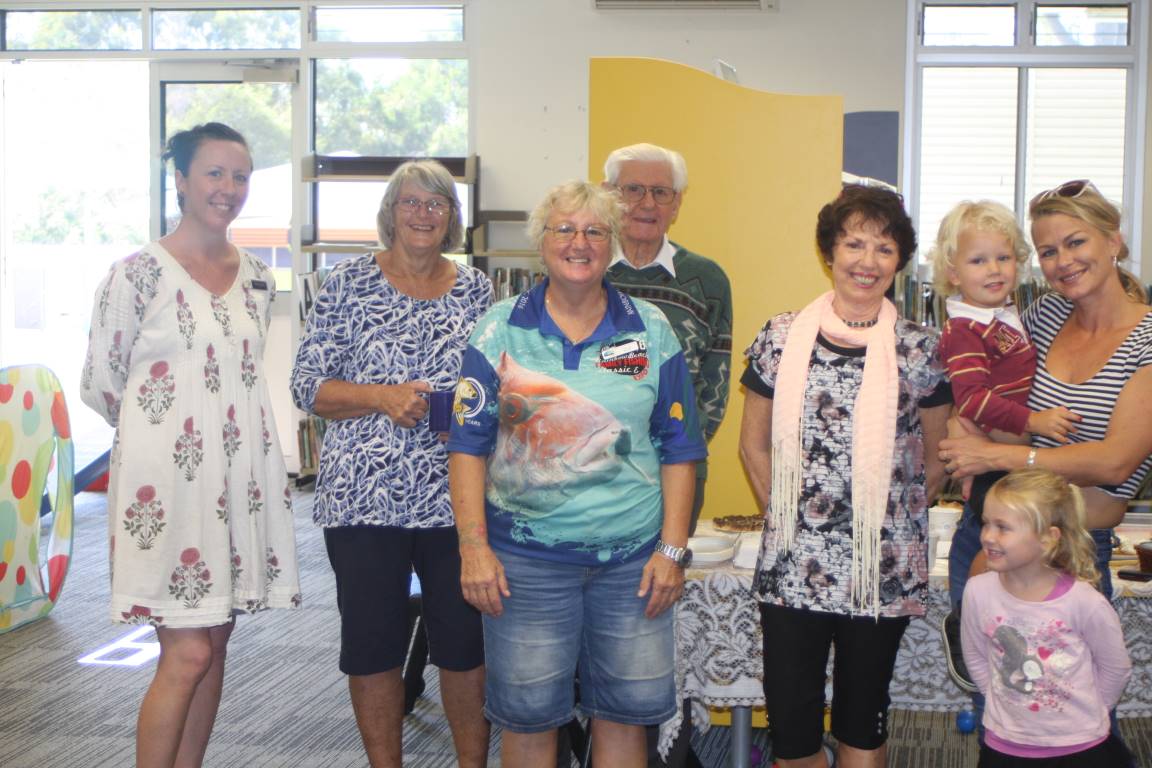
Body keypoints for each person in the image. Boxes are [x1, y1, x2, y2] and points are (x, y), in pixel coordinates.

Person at [447, 180, 707, 768]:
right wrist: (473, 549)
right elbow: (466, 446)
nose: (579, 242)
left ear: (611, 244)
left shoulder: (651, 328)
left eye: (594, 230)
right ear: (541, 242)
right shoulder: (497, 329)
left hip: (633, 566)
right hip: (526, 565)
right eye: (564, 229)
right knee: (531, 723)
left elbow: (680, 446)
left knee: (624, 721)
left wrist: (671, 551)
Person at [80, 122, 301, 768]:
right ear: (179, 179)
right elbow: (101, 382)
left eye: (239, 176)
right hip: (166, 489)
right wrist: (171, 433)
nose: (227, 189)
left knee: (218, 641)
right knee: (190, 651)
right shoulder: (136, 276)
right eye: (213, 173)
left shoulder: (259, 278)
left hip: (236, 485)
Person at [738, 185, 951, 768]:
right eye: (853, 243)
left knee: (863, 715)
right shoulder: (780, 338)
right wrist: (784, 518)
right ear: (829, 252)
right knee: (792, 725)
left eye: (884, 248)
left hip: (879, 567)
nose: (867, 261)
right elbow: (752, 444)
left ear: (900, 261)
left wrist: (893, 518)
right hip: (791, 563)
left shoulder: (920, 349)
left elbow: (940, 453)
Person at [290, 159, 492, 768]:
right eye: (411, 202)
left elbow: (494, 383)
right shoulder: (347, 282)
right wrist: (381, 397)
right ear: (390, 212)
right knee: (373, 644)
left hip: (456, 496)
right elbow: (307, 385)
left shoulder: (478, 289)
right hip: (362, 498)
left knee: (464, 646)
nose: (424, 214)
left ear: (452, 217)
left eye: (437, 204)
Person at [940, 180, 1151, 760]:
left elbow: (1115, 459)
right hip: (995, 534)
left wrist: (999, 455)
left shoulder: (1147, 339)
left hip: (1078, 545)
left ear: (1115, 241)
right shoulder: (1045, 313)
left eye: (1076, 242)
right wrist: (965, 429)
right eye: (1048, 250)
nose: (1063, 262)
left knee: (1076, 717)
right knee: (1004, 710)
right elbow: (977, 392)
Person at [960, 469, 1132, 767]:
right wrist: (1002, 703)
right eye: (986, 523)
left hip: (1080, 747)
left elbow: (1115, 669)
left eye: (1003, 527)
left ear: (1048, 538)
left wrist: (1089, 715)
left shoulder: (1084, 601)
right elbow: (975, 654)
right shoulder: (977, 591)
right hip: (1004, 745)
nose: (988, 536)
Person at [603, 142, 733, 536]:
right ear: (609, 195)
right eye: (633, 189)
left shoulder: (706, 280)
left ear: (676, 204)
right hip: (591, 471)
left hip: (676, 470)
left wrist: (678, 454)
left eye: (661, 192)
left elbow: (715, 383)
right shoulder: (582, 269)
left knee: (661, 586)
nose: (647, 203)